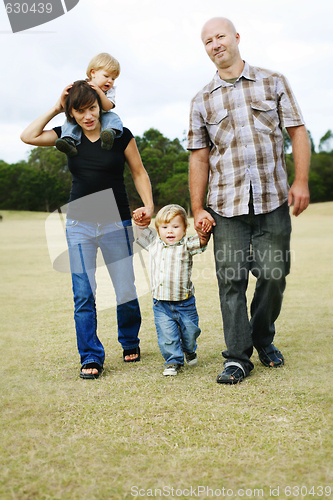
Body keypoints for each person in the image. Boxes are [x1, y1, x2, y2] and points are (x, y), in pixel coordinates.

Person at [188, 17, 310, 384]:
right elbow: (198, 156)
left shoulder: (273, 82)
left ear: (236, 38)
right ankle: (237, 358)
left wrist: (301, 180)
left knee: (274, 276)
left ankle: (260, 336)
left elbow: (298, 132)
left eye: (220, 36)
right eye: (208, 41)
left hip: (272, 200)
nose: (215, 44)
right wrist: (197, 208)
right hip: (226, 208)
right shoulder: (201, 100)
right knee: (231, 283)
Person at [21, 80, 154, 379]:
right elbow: (27, 136)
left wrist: (149, 205)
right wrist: (56, 106)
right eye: (79, 111)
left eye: (92, 108)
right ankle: (91, 356)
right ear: (72, 113)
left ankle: (129, 340)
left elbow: (138, 171)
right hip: (79, 223)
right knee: (83, 293)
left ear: (100, 105)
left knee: (125, 289)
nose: (87, 116)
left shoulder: (120, 135)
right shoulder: (67, 136)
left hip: (116, 220)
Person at [134, 204, 211, 376]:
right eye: (165, 227)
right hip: (161, 304)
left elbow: (203, 240)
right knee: (167, 335)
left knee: (191, 332)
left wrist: (205, 230)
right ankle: (173, 361)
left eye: (175, 227)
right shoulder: (154, 244)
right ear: (158, 229)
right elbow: (140, 232)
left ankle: (189, 349)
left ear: (184, 229)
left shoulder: (186, 244)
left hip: (185, 302)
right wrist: (139, 220)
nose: (170, 231)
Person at [55, 53, 123, 157]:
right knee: (69, 123)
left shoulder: (110, 91)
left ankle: (109, 135)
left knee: (113, 118)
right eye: (106, 76)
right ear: (93, 73)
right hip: (85, 120)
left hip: (103, 115)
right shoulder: (83, 87)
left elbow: (107, 107)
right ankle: (69, 141)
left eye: (113, 79)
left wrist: (100, 93)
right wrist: (63, 97)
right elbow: (71, 107)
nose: (110, 81)